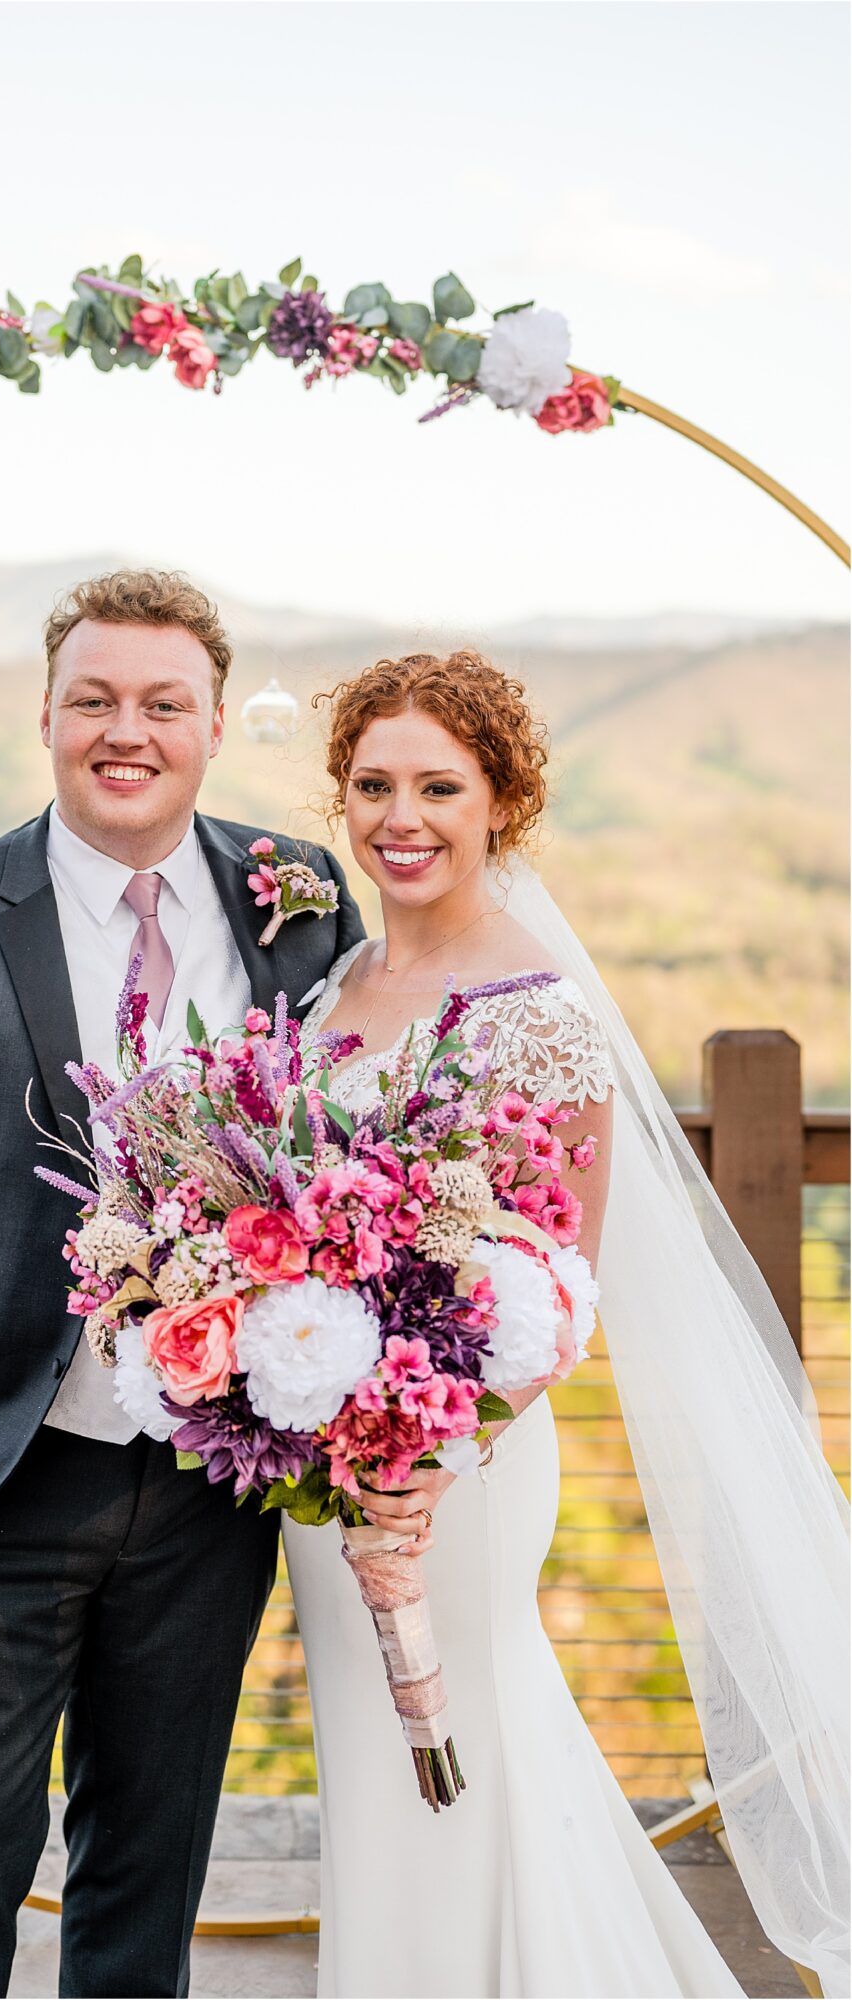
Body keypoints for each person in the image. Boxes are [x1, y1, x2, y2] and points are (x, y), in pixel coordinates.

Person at [0, 568, 364, 2000]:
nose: (130, 730)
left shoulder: (294, 902)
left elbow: (354, 1155)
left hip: (208, 1476)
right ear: (46, 714)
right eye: (96, 700)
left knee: (152, 1851)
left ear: (214, 722)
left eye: (163, 703)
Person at [282, 649, 849, 1998]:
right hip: (325, 1473)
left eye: (439, 785)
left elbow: (554, 1289)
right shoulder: (338, 981)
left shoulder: (536, 1008)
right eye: (371, 785)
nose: (399, 817)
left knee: (471, 1730)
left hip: (456, 1466)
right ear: (340, 800)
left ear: (500, 804)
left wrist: (416, 1454)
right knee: (378, 1767)